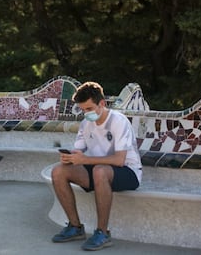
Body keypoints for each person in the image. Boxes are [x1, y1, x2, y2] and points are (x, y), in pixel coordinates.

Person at [51, 81, 142, 251]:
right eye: (83, 110)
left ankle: (102, 232)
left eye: (89, 109)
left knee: (100, 171)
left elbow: (119, 160)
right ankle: (75, 227)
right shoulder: (86, 124)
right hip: (97, 170)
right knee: (58, 171)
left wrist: (84, 160)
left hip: (128, 172)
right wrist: (70, 157)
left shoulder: (118, 121)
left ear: (102, 103)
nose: (86, 114)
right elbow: (79, 150)